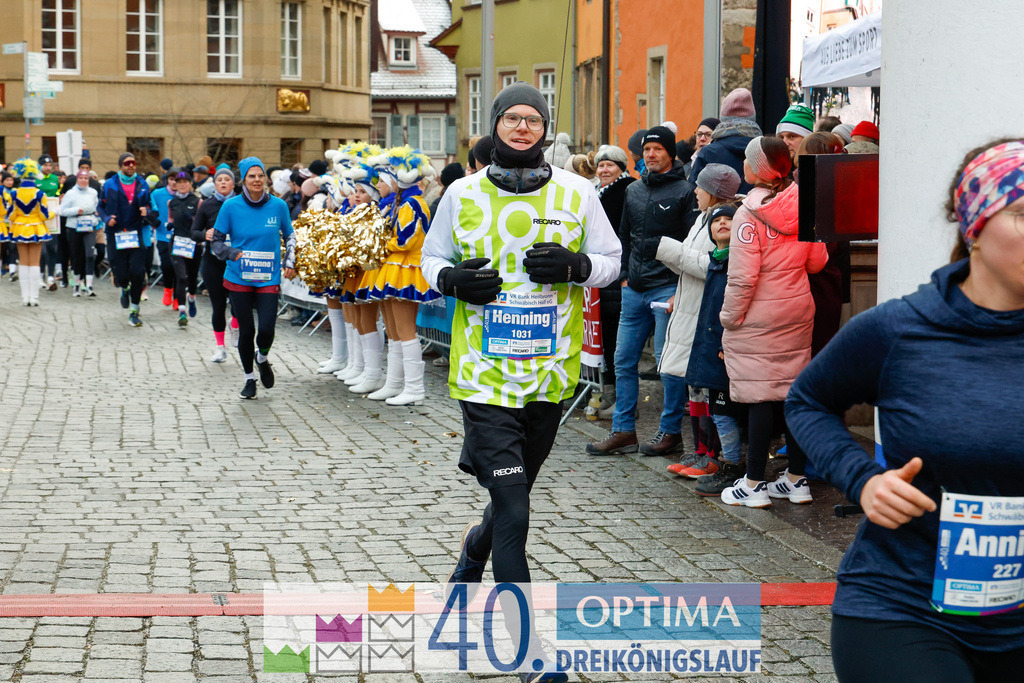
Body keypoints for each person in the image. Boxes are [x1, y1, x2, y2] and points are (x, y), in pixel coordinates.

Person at [786, 138, 1024, 681]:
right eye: (1022, 212)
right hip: (903, 610)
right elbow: (808, 400)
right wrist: (863, 480)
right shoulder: (900, 330)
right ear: (975, 228)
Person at [421, 83, 619, 683]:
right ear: (496, 125)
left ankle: (472, 554)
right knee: (515, 509)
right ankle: (529, 652)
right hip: (483, 377)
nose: (523, 128)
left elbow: (612, 262)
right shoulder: (461, 193)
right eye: (513, 119)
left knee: (513, 500)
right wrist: (452, 280)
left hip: (548, 377)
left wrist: (579, 267)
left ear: (545, 128)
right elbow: (430, 261)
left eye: (534, 120)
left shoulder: (578, 192)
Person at [718, 136, 828, 507]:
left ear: (756, 170)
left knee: (761, 394)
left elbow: (743, 278)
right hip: (797, 309)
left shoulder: (747, 216)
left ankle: (752, 484)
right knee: (792, 393)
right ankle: (796, 479)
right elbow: (817, 263)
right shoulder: (805, 202)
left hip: (758, 315)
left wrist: (729, 318)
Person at [587, 125, 699, 456]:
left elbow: (690, 245)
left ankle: (670, 432)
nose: (650, 154)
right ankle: (623, 431)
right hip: (634, 288)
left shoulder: (685, 191)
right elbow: (622, 237)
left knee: (668, 364)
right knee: (623, 360)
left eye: (657, 149)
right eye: (646, 149)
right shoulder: (634, 191)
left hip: (667, 287)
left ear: (670, 154)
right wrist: (623, 275)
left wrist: (681, 287)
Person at [656, 163, 741, 478]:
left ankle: (712, 455)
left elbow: (712, 265)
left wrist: (669, 251)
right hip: (689, 307)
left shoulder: (724, 221)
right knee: (693, 385)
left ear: (714, 192)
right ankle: (700, 452)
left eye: (700, 187)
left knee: (706, 387)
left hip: (704, 315)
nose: (694, 191)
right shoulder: (701, 218)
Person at [211, 157, 296, 399]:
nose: (257, 180)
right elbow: (216, 241)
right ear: (244, 181)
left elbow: (290, 236)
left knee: (267, 328)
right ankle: (249, 378)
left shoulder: (278, 206)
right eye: (251, 176)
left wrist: (289, 262)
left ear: (266, 179)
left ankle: (263, 357)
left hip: (268, 277)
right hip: (239, 277)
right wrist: (231, 253)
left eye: (260, 175)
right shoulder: (231, 207)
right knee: (246, 331)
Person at [680, 204, 748, 495]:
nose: (721, 223)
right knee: (717, 407)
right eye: (716, 220)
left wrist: (724, 342)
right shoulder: (715, 261)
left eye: (728, 219)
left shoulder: (738, 261)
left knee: (723, 409)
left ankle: (733, 464)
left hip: (725, 348)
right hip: (711, 346)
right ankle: (722, 459)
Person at [366, 146, 439, 405]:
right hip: (397, 268)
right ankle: (396, 383)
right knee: (395, 330)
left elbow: (406, 240)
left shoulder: (412, 203)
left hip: (406, 269)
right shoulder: (406, 202)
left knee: (405, 330)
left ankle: (415, 389)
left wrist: (382, 242)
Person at [593, 144, 635, 417]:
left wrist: (625, 273)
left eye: (610, 165)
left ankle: (622, 401)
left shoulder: (626, 190)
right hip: (602, 275)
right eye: (600, 165)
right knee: (605, 337)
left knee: (617, 340)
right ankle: (608, 394)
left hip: (617, 274)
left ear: (621, 167)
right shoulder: (598, 191)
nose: (604, 169)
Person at [191, 164, 237, 362]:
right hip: (213, 261)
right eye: (220, 180)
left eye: (227, 180)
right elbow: (194, 232)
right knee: (217, 305)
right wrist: (204, 234)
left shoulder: (240, 203)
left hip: (236, 261)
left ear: (233, 183)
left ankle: (234, 324)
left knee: (238, 304)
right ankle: (220, 348)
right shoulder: (207, 205)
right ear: (215, 184)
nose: (223, 183)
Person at [102, 152, 152, 327]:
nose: (131, 165)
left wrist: (147, 211)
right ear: (121, 166)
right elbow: (100, 206)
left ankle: (134, 310)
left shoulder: (143, 184)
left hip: (135, 233)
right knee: (121, 275)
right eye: (126, 163)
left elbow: (150, 207)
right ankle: (125, 288)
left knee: (137, 273)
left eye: (133, 163)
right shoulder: (109, 184)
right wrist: (108, 219)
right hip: (115, 234)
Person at [688, 88, 762, 193]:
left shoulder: (709, 152)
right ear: (752, 117)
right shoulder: (765, 150)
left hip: (716, 209)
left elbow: (693, 192)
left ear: (723, 119)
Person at [3, 158, 51, 306]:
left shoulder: (14, 194)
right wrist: (55, 213)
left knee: (23, 262)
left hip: (19, 228)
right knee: (35, 263)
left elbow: (10, 215)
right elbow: (44, 215)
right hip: (36, 227)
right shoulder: (40, 194)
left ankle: (25, 298)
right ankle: (34, 297)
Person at [167, 168, 202, 327]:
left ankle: (192, 298)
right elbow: (171, 218)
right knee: (181, 277)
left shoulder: (197, 201)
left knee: (192, 278)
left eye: (184, 182)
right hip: (177, 243)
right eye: (178, 182)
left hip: (193, 243)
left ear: (190, 184)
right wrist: (169, 225)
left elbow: (203, 222)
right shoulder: (171, 202)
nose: (181, 185)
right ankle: (182, 311)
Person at [58, 168, 102, 297]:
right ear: (77, 179)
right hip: (73, 226)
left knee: (89, 254)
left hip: (89, 226)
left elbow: (97, 209)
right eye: (81, 178)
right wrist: (76, 210)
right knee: (77, 256)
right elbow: (63, 211)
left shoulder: (93, 192)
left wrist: (95, 218)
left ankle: (89, 285)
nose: (84, 180)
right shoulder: (70, 193)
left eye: (86, 178)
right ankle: (76, 284)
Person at [37, 154, 62, 290]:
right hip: (39, 217)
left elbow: (57, 194)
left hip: (53, 217)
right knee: (42, 250)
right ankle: (40, 275)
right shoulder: (35, 179)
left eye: (49, 165)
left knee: (52, 247)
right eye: (45, 165)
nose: (47, 168)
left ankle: (51, 276)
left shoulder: (54, 179)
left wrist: (59, 199)